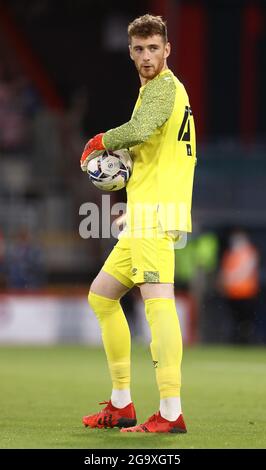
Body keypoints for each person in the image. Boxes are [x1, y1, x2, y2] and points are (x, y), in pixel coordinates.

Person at [80, 14, 196, 433]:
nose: (146, 56)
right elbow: (149, 144)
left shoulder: (164, 89)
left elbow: (141, 128)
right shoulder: (154, 90)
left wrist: (100, 142)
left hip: (156, 215)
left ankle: (170, 411)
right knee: (102, 297)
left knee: (158, 306)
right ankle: (122, 402)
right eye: (139, 49)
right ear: (130, 52)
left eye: (153, 48)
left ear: (167, 50)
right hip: (143, 215)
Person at [219, 229, 259, 344]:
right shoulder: (230, 254)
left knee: (246, 320)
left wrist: (231, 278)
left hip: (247, 293)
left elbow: (245, 270)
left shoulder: (249, 252)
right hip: (232, 293)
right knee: (234, 319)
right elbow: (224, 272)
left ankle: (246, 341)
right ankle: (236, 340)